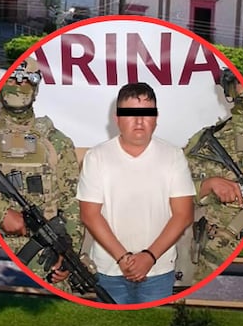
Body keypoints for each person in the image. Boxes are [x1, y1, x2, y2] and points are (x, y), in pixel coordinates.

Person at [77, 82, 196, 305]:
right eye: (131, 113)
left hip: (158, 270)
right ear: (117, 119)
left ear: (156, 117)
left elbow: (184, 215)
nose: (139, 121)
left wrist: (148, 257)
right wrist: (123, 258)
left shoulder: (173, 156)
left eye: (146, 113)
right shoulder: (97, 157)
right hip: (108, 270)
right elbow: (89, 214)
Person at [0, 57, 84, 292]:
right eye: (12, 79)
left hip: (46, 258)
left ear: (36, 87)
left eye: (27, 79)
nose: (19, 85)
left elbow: (71, 203)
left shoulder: (56, 142)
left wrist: (69, 255)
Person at [179, 67, 243, 287]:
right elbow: (174, 189)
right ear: (229, 89)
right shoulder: (208, 139)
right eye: (239, 82)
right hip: (216, 252)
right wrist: (207, 185)